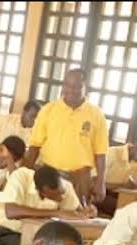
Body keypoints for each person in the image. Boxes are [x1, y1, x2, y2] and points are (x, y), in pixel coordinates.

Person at [25, 68, 109, 203]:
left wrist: (101, 182)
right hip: (49, 176)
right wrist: (26, 173)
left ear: (86, 87)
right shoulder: (48, 109)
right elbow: (35, 145)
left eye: (77, 86)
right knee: (43, 213)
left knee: (77, 214)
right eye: (67, 85)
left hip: (80, 178)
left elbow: (101, 152)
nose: (71, 90)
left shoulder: (96, 114)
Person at [0, 165, 96, 245]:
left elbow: (78, 213)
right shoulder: (21, 176)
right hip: (6, 233)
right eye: (54, 196)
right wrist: (56, 213)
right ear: (40, 192)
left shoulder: (66, 186)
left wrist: (89, 212)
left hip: (38, 237)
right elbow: (11, 212)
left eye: (61, 193)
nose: (61, 198)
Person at [98, 136, 137, 215]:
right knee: (125, 210)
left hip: (113, 192)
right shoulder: (111, 153)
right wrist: (122, 185)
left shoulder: (136, 161)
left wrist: (135, 186)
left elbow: (124, 177)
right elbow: (93, 183)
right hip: (96, 193)